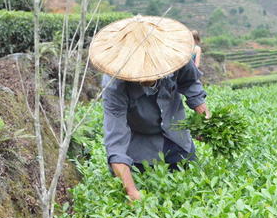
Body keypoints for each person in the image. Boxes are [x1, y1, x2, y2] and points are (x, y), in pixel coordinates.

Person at [88, 16, 210, 202]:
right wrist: (132, 192)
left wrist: (206, 121)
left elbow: (192, 84)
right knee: (145, 191)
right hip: (139, 146)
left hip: (176, 137)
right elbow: (116, 141)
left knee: (192, 194)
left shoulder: (176, 58)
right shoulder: (114, 84)